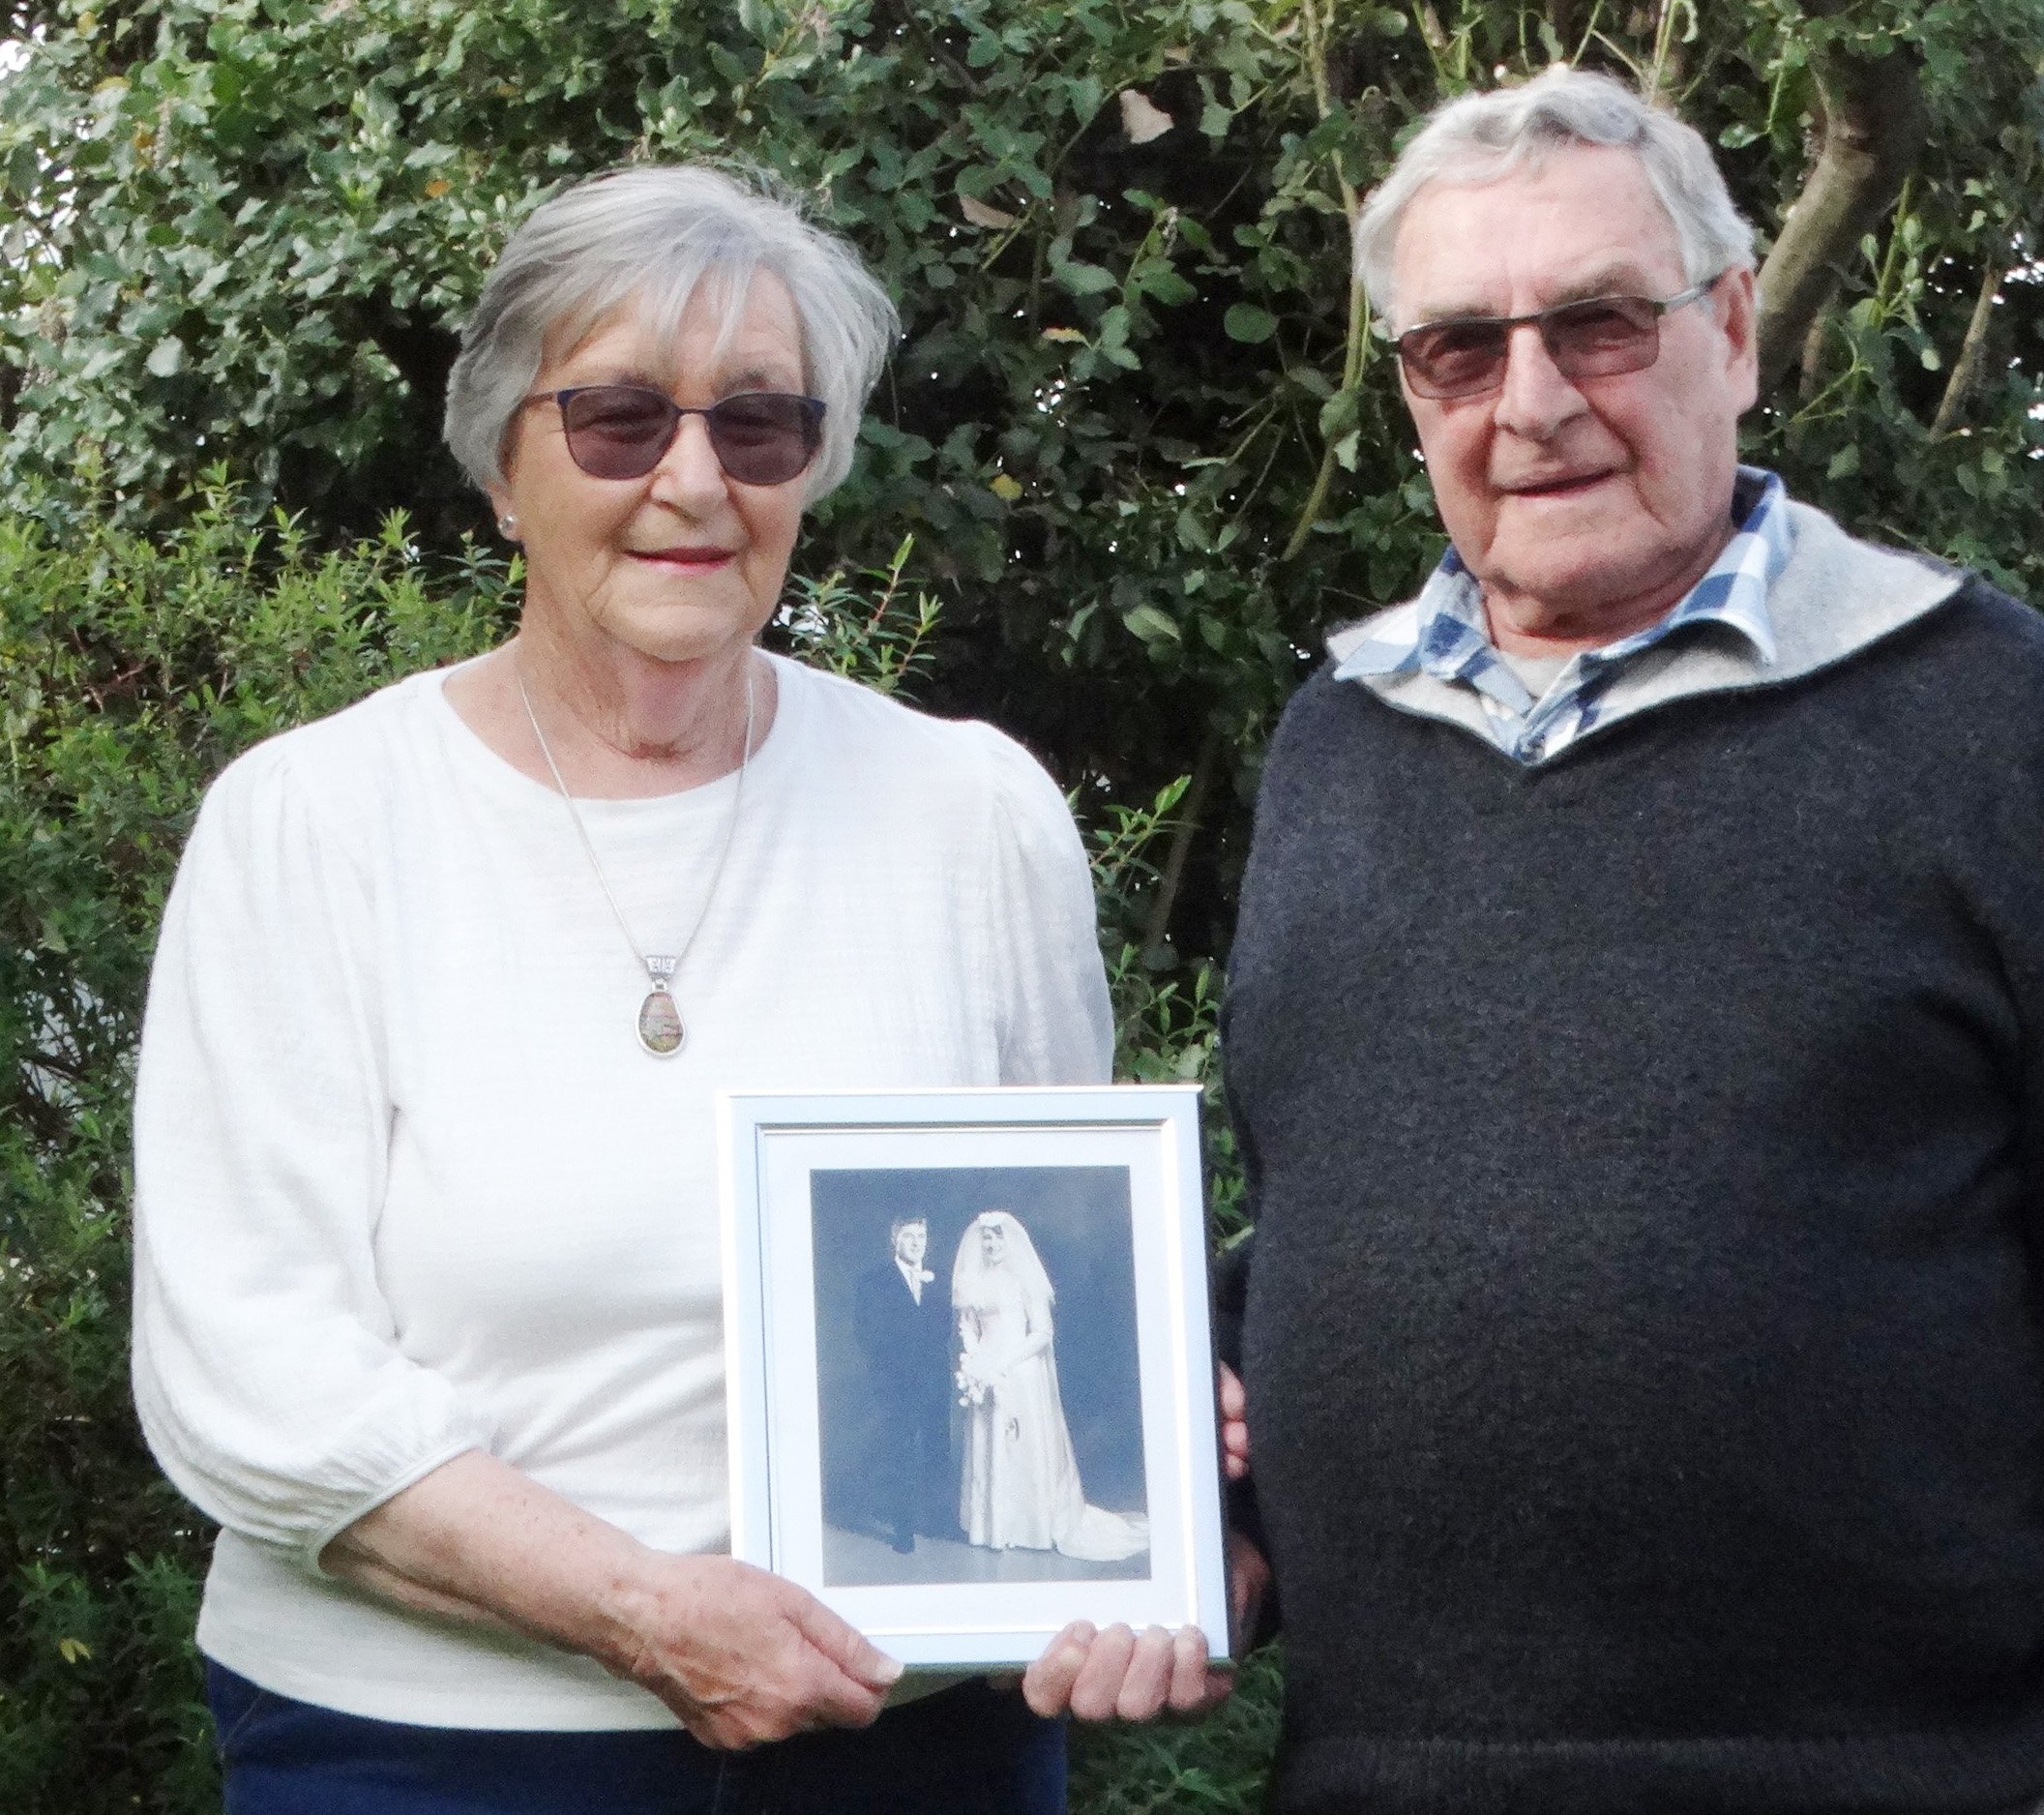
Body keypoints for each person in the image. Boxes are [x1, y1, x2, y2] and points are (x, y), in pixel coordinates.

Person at [1215, 67, 2044, 1815]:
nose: (1528, 405)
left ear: (1728, 328)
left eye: (1594, 325)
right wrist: (1194, 1470)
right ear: (1409, 390)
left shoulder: (1975, 711)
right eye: (1456, 349)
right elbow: (1342, 1246)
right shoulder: (1336, 747)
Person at [131, 162, 1227, 1815]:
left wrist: (1151, 1464)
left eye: (759, 425)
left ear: (812, 468)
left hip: (906, 1744)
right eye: (620, 421)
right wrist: (644, 1612)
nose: (693, 482)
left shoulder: (971, 814)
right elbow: (249, 1370)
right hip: (420, 1753)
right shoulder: (312, 825)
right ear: (504, 462)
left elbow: (1064, 1257)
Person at [953, 1211, 1148, 1562]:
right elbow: (968, 1324)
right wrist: (977, 1358)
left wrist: (1005, 1362)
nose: (992, 1245)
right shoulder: (973, 1281)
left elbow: (1042, 1332)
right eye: (987, 1239)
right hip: (986, 1367)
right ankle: (994, 1526)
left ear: (1010, 1242)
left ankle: (1030, 1525)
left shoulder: (1025, 1280)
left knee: (1021, 1444)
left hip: (1022, 1370)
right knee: (990, 1441)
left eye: (998, 1238)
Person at [850, 1216, 952, 1554]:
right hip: (896, 1386)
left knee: (937, 1451)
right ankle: (903, 1530)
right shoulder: (874, 1282)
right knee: (900, 1455)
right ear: (895, 1240)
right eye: (909, 1236)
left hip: (934, 1383)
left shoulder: (939, 1281)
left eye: (922, 1235)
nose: (916, 1242)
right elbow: (866, 1333)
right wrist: (894, 1368)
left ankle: (939, 1523)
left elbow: (945, 1331)